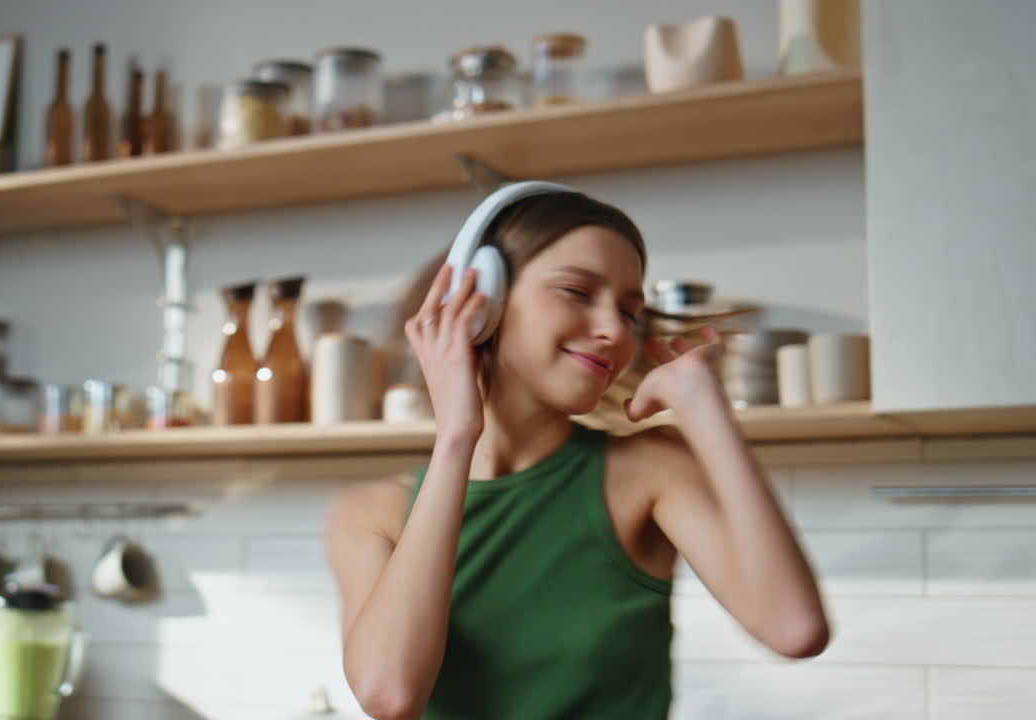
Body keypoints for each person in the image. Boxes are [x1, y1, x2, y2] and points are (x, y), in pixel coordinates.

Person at [326, 184, 830, 720]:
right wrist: (457, 435)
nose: (614, 330)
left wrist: (706, 409)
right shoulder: (369, 514)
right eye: (577, 292)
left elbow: (793, 628)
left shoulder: (650, 472)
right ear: (481, 303)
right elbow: (390, 695)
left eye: (630, 312)